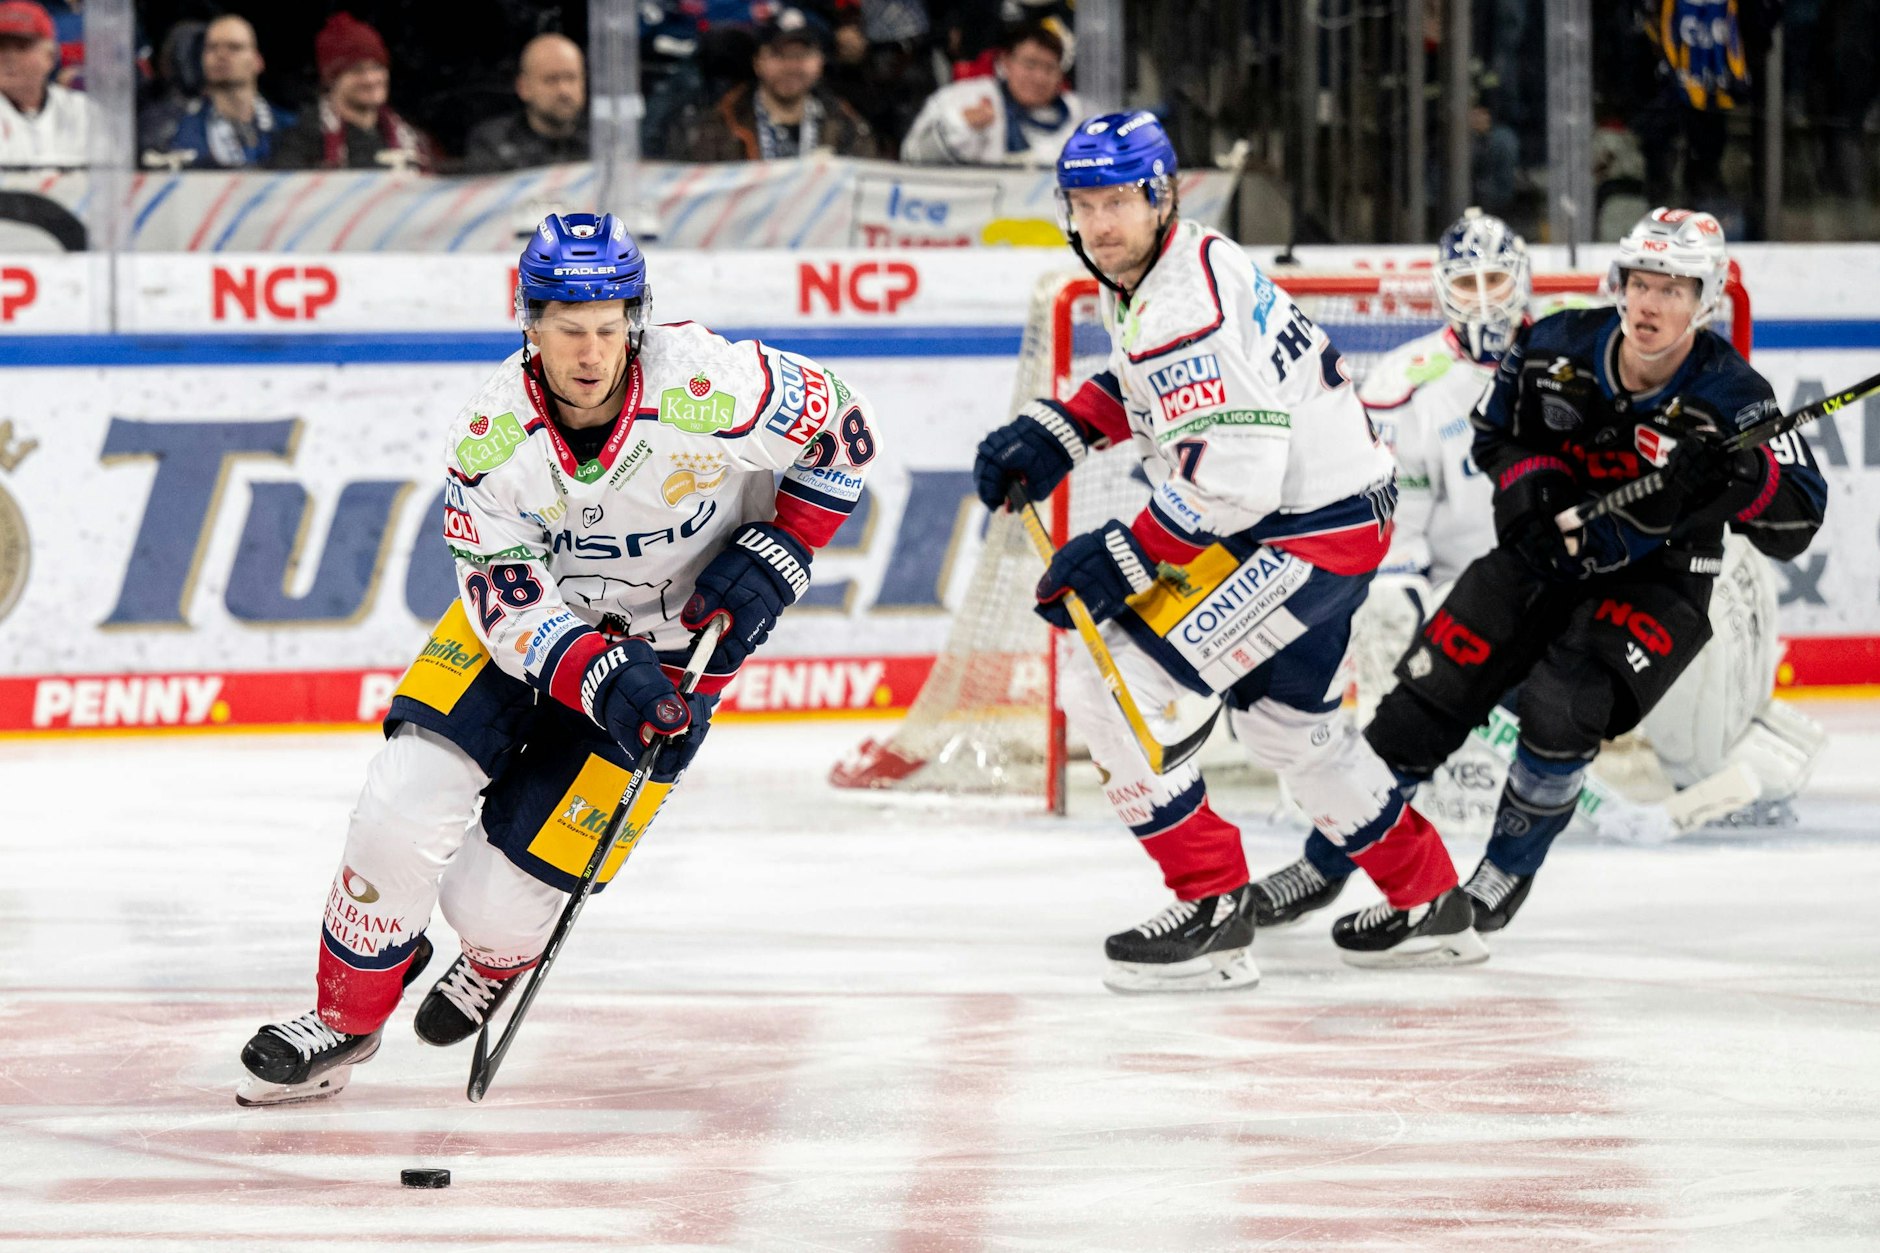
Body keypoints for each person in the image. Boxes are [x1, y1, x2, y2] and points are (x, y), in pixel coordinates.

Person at [235, 212, 882, 1106]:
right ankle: (344, 1020)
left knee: (492, 904)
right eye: (569, 329)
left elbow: (845, 424)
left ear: (637, 320)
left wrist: (787, 546)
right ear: (528, 324)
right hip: (527, 633)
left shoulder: (715, 383)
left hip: (679, 656)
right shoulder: (492, 435)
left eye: (610, 328)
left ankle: (496, 956)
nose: (591, 353)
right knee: (401, 801)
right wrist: (590, 665)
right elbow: (504, 593)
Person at [972, 111, 1486, 992]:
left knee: (1110, 683)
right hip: (1330, 516)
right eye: (1082, 202)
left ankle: (1212, 905)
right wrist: (1061, 430)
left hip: (1299, 530)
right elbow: (1158, 388)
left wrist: (1120, 560)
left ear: (1161, 194)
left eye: (1119, 201)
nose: (1099, 223)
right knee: (1290, 727)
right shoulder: (1177, 259)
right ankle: (1429, 895)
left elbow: (1235, 478)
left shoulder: (1182, 304)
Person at [1252, 207, 1828, 942]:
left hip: (1656, 581)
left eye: (1676, 289)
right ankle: (1324, 860)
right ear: (1619, 283)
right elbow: (1500, 433)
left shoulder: (1733, 395)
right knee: (1425, 694)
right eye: (1642, 282)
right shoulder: (1557, 345)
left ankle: (1500, 876)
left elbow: (1797, 519)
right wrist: (1533, 494)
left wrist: (1741, 477)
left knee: (1564, 700)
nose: (1651, 304)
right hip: (1544, 558)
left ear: (1707, 300)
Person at [677, 11, 875, 162]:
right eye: (779, 55)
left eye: (802, 55)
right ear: (757, 63)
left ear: (820, 63)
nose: (791, 66)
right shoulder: (715, 128)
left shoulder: (850, 127)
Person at [901, 20, 1080, 166]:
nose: (1040, 77)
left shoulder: (1078, 112)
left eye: (1050, 68)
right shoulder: (963, 98)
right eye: (1030, 64)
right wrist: (960, 125)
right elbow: (912, 156)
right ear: (1005, 62)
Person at [270, 11, 431, 173]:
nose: (370, 79)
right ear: (332, 80)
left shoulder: (408, 137)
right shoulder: (304, 140)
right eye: (357, 70)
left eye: (377, 67)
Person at [140, 15, 288, 170]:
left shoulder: (287, 126)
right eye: (212, 48)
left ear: (258, 61)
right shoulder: (173, 130)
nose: (221, 55)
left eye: (234, 47)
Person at [463, 32, 589, 173]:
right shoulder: (492, 142)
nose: (563, 90)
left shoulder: (604, 140)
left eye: (571, 78)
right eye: (551, 80)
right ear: (523, 87)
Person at [0, 0, 92, 167]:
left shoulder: (83, 112)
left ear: (50, 56)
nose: (8, 57)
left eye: (21, 47)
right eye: (1, 47)